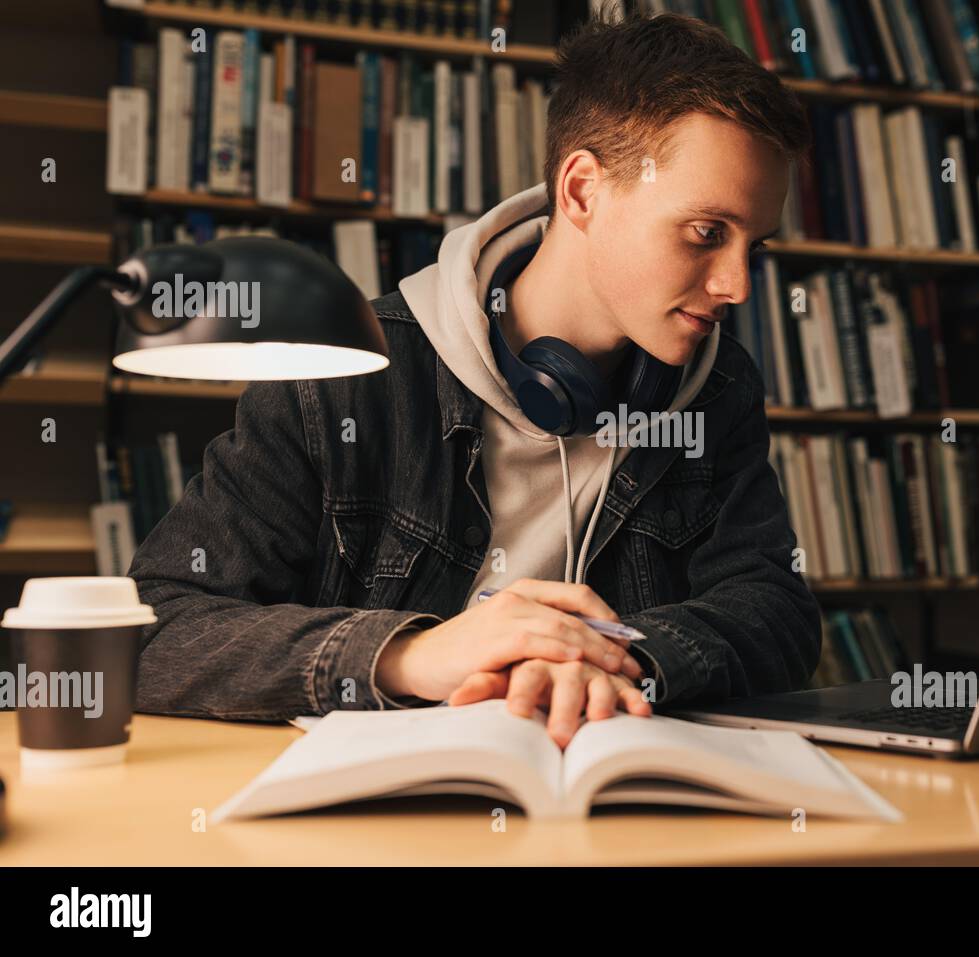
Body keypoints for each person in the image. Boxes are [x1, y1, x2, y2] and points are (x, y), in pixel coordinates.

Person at [130, 9, 820, 748]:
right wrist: (408, 653)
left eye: (756, 243)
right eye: (707, 233)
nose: (739, 285)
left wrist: (617, 657)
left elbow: (775, 610)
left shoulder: (718, 390)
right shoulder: (343, 372)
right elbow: (155, 626)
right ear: (582, 190)